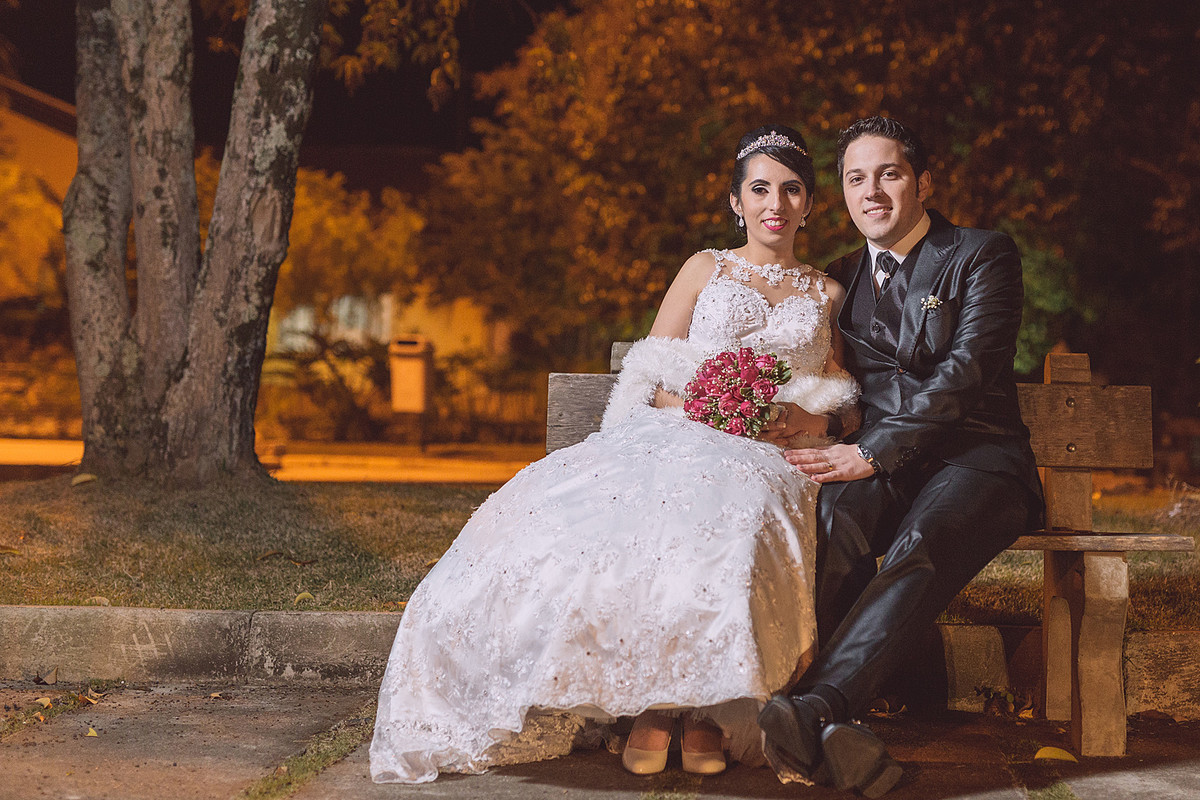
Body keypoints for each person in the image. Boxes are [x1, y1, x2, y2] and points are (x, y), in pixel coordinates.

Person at [369, 125, 861, 783]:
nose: (776, 203)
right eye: (761, 188)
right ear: (737, 202)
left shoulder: (826, 292)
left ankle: (700, 705)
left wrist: (794, 413)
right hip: (680, 428)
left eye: (792, 189)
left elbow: (836, 391)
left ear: (808, 203)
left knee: (728, 521)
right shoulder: (705, 267)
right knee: (612, 517)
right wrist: (711, 405)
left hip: (770, 452)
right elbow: (654, 370)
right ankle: (658, 705)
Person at [757, 116, 1044, 798]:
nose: (873, 191)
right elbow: (835, 386)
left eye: (889, 173)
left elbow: (968, 371)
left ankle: (818, 707)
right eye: (857, 178)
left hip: (979, 458)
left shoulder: (982, 254)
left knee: (920, 540)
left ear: (923, 183)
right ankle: (843, 723)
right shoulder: (840, 278)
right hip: (879, 461)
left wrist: (873, 452)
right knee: (828, 525)